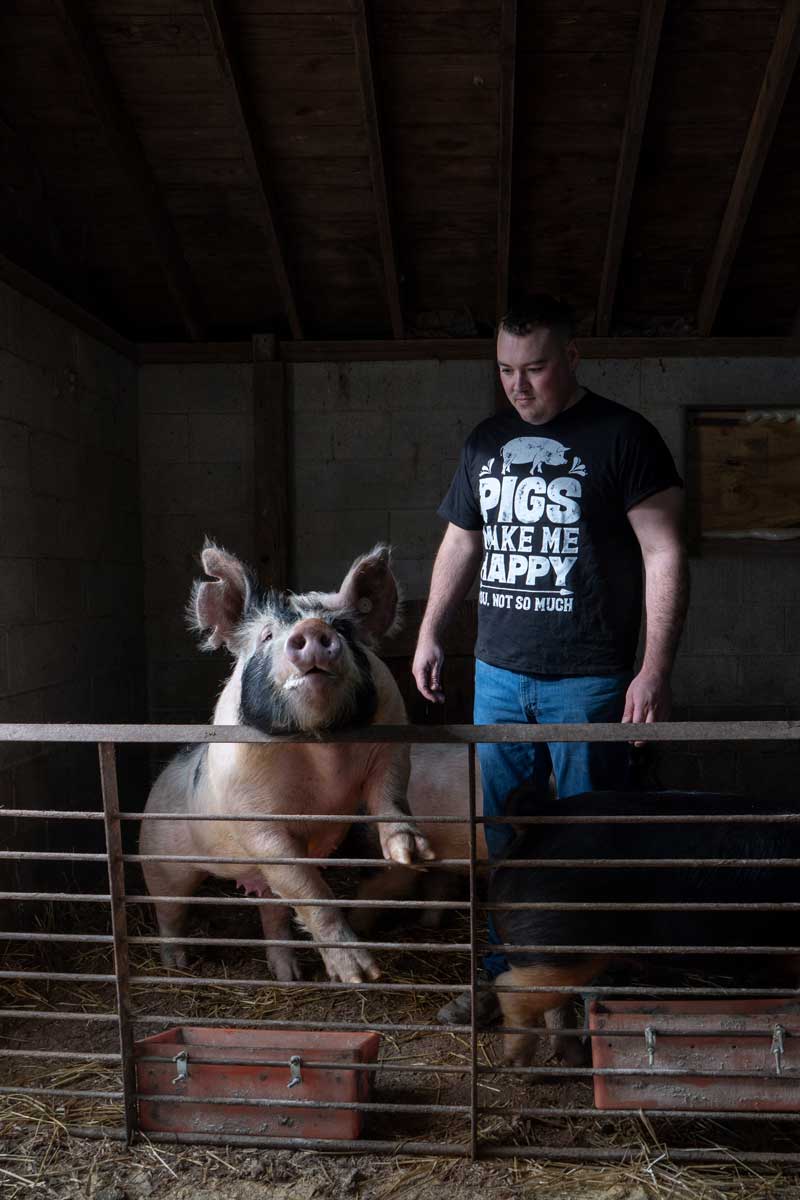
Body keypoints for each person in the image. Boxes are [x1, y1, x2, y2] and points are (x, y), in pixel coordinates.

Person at [411, 294, 689, 1025]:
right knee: (503, 834)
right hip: (499, 673)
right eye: (505, 370)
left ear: (571, 357)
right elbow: (461, 540)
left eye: (534, 368)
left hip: (590, 675)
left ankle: (593, 993)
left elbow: (663, 552)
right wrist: (431, 630)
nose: (519, 386)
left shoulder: (624, 436)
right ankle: (511, 982)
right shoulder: (484, 441)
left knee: (591, 837)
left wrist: (652, 669)